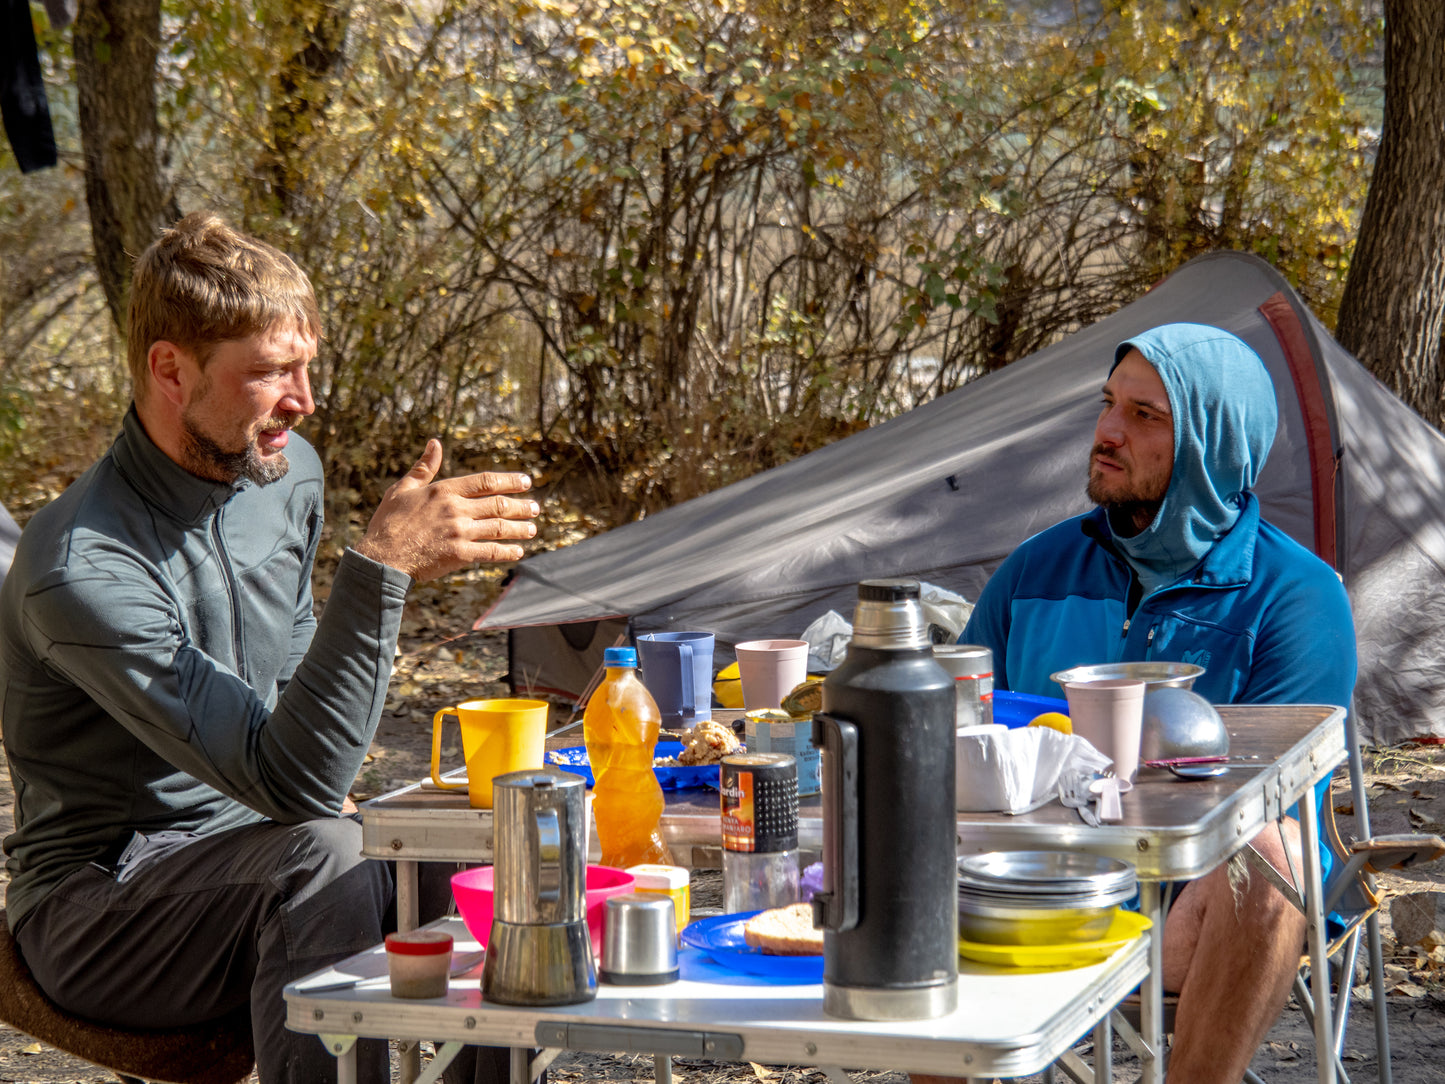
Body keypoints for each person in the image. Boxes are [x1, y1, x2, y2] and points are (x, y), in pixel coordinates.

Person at [0, 212, 540, 1083]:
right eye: (269, 373)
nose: (304, 399)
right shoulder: (79, 565)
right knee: (326, 858)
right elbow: (298, 785)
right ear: (170, 369)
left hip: (263, 837)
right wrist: (379, 572)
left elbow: (297, 709)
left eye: (305, 366)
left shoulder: (285, 477)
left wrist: (395, 823)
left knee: (499, 837)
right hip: (99, 907)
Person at [938, 323, 1357, 1083]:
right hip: (1030, 881)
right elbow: (953, 731)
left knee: (1271, 856)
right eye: (1107, 404)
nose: (1105, 432)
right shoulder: (1036, 569)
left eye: (1144, 416)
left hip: (1191, 903)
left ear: (1210, 442)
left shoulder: (1295, 597)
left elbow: (1284, 799)